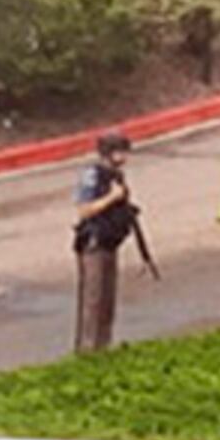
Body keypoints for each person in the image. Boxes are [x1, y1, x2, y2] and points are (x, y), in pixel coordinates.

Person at [67, 130, 140, 355]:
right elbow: (84, 209)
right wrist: (113, 198)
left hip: (109, 241)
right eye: (121, 152)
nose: (125, 157)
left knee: (107, 301)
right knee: (93, 299)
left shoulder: (115, 175)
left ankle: (103, 345)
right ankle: (88, 349)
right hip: (93, 243)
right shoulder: (93, 175)